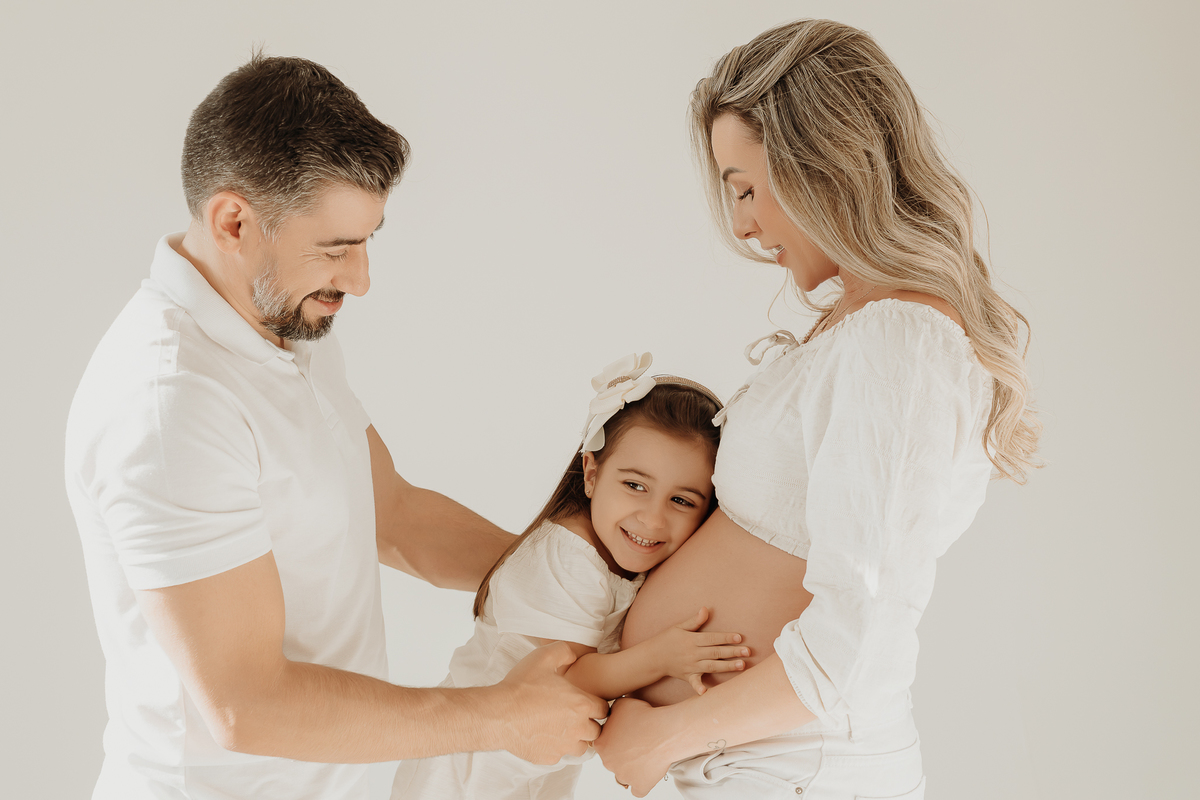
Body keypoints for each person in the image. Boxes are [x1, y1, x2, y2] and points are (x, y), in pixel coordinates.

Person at [64, 54, 606, 800]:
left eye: (367, 239)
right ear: (234, 223)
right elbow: (246, 706)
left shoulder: (284, 323)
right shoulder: (170, 404)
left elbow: (393, 515)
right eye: (335, 248)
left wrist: (590, 585)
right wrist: (503, 717)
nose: (360, 279)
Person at [595, 19, 1041, 798]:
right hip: (766, 766)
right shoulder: (859, 327)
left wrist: (669, 733)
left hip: (798, 772)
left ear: (821, 165)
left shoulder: (900, 340)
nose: (742, 226)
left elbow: (861, 632)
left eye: (744, 188)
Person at [392, 354, 748, 799]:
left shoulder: (635, 558)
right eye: (635, 485)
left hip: (539, 760)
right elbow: (567, 679)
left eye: (681, 501)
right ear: (592, 473)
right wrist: (662, 657)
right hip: (468, 767)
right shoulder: (569, 554)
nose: (653, 519)